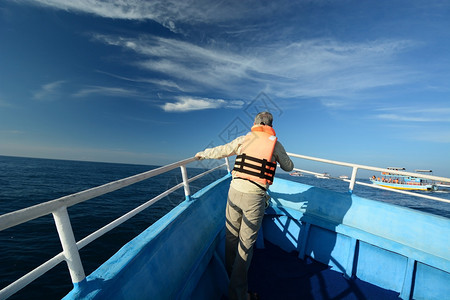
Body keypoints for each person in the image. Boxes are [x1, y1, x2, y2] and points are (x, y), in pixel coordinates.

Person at [195, 112, 294, 300]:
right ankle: (238, 295)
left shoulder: (243, 139)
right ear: (271, 125)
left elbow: (222, 150)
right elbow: (289, 167)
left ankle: (230, 277)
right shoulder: (275, 144)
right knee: (245, 245)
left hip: (234, 192)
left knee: (231, 237)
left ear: (255, 124)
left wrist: (203, 154)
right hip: (254, 197)